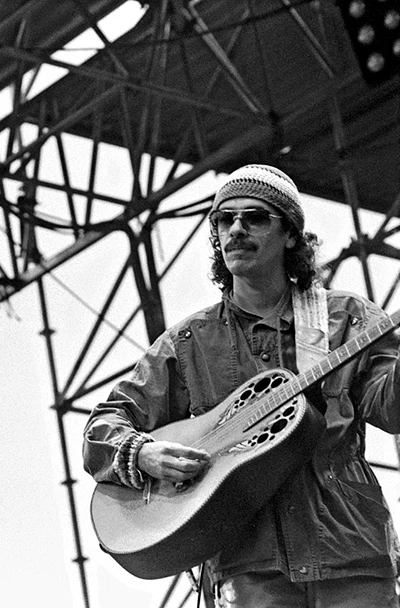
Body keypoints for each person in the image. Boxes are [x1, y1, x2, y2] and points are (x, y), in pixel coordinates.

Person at [83, 164, 400, 607]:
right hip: (249, 568)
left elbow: (392, 410)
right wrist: (143, 453)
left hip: (350, 555)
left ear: (290, 235)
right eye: (224, 220)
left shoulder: (346, 318)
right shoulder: (188, 342)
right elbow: (104, 425)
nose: (235, 229)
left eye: (254, 218)